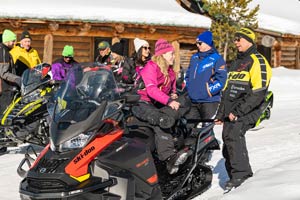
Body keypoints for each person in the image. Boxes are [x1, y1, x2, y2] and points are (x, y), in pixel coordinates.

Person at [215, 27, 272, 191]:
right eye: (234, 39)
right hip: (232, 110)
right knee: (227, 137)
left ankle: (243, 176)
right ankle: (234, 177)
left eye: (239, 39)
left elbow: (258, 92)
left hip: (250, 108)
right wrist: (221, 113)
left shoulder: (257, 60)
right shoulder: (236, 63)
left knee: (233, 134)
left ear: (249, 40)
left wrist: (238, 111)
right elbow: (226, 91)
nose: (236, 42)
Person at [132, 39, 191, 175]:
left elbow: (172, 88)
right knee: (162, 120)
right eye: (171, 53)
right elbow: (151, 89)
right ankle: (168, 157)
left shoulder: (170, 71)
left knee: (179, 111)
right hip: (141, 102)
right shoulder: (151, 67)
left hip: (156, 104)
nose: (174, 57)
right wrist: (169, 101)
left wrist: (173, 95)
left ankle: (182, 144)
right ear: (163, 55)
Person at [185, 31, 227, 130]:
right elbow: (188, 75)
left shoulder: (217, 58)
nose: (197, 45)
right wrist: (189, 87)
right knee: (188, 127)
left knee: (206, 130)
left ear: (208, 43)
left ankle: (211, 146)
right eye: (196, 43)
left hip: (209, 101)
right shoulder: (194, 57)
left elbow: (221, 80)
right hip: (194, 100)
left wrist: (208, 91)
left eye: (200, 43)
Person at [0, 29, 21, 114]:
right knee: (5, 113)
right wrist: (17, 79)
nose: (14, 43)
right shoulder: (3, 52)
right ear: (7, 41)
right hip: (5, 88)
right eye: (13, 41)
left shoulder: (4, 51)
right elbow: (3, 72)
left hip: (6, 87)